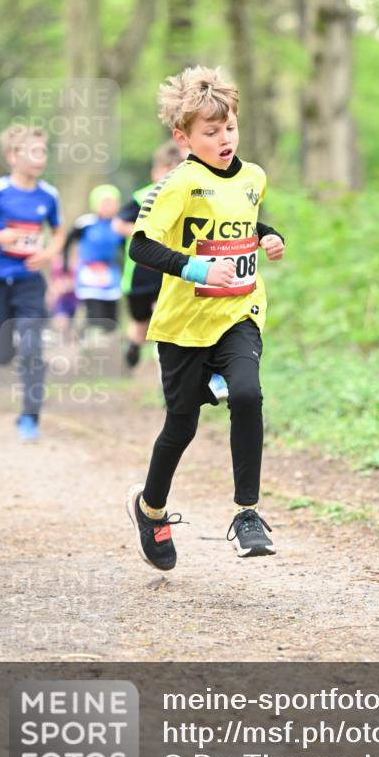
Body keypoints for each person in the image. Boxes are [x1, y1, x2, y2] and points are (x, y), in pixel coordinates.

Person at [126, 65, 285, 570]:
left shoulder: (255, 176)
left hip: (240, 310)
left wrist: (268, 235)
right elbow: (140, 246)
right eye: (211, 132)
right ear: (183, 138)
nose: (224, 139)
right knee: (181, 426)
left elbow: (240, 215)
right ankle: (150, 509)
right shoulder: (177, 183)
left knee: (247, 393)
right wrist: (195, 266)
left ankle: (247, 514)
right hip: (183, 325)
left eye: (230, 128)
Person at [0, 125, 64, 440]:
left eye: (43, 151)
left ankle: (29, 417)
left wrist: (48, 253)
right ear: (13, 156)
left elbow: (59, 231)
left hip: (29, 282)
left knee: (32, 347)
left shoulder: (49, 195)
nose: (40, 158)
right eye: (33, 152)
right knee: (1, 355)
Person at [113, 140, 184, 369]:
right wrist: (146, 234)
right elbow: (118, 224)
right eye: (168, 171)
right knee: (141, 325)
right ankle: (133, 346)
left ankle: (167, 371)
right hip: (140, 275)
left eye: (178, 171)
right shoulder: (141, 197)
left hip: (169, 272)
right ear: (156, 173)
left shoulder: (187, 199)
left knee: (165, 321)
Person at [63, 184, 123, 333]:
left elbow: (127, 249)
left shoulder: (120, 225)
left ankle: (109, 346)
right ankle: (89, 341)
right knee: (95, 312)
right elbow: (67, 243)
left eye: (113, 202)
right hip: (89, 273)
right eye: (105, 202)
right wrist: (65, 267)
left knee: (112, 314)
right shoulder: (85, 223)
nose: (109, 206)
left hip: (110, 272)